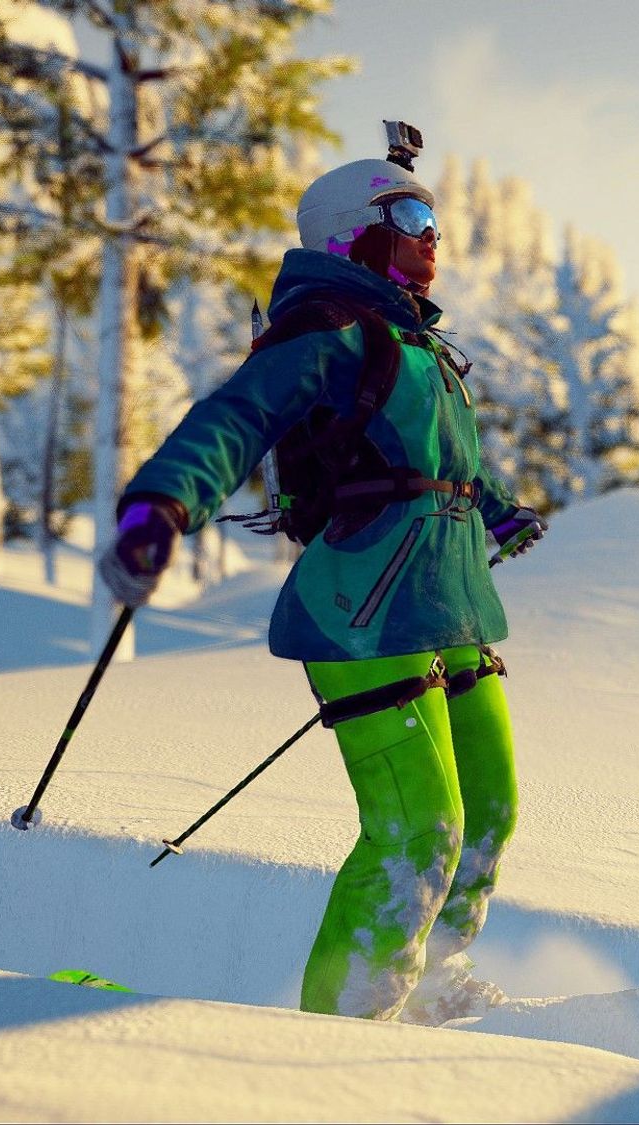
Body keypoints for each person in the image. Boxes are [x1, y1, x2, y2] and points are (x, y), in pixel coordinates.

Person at [96, 126, 545, 1025]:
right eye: (410, 215)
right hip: (360, 605)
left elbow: (442, 462)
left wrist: (495, 504)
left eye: (432, 219)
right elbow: (233, 418)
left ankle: (428, 987)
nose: (431, 236)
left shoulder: (420, 348)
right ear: (351, 233)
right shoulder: (329, 331)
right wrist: (162, 504)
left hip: (447, 602)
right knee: (421, 831)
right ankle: (342, 1037)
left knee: (491, 811)